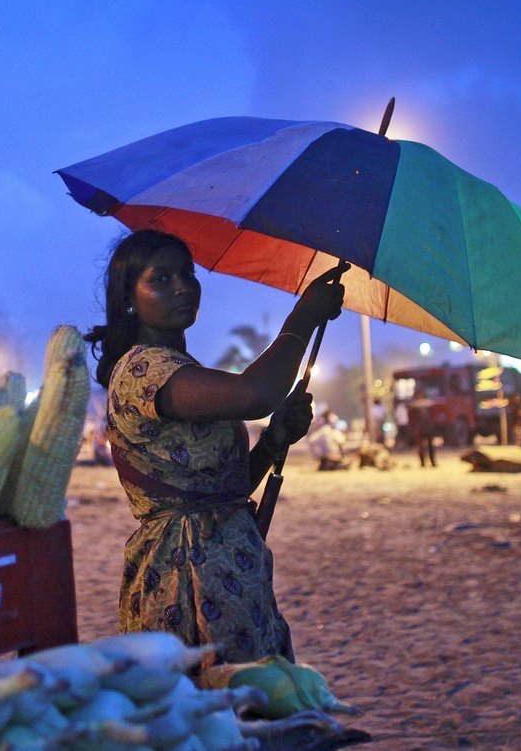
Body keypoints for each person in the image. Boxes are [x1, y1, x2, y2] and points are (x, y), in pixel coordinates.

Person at [84, 229, 346, 672]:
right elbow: (256, 393)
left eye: (187, 274)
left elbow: (221, 491)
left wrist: (273, 440)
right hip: (185, 579)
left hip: (228, 573)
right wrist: (302, 319)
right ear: (129, 298)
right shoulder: (143, 369)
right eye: (161, 278)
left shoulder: (183, 370)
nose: (182, 286)